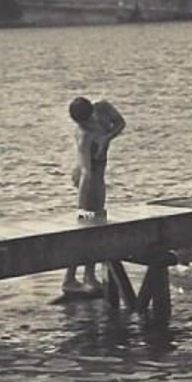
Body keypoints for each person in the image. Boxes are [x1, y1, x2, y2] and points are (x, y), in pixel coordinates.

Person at [62, 96, 126, 296]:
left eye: (88, 120)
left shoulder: (104, 108)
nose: (87, 125)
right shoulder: (84, 135)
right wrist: (85, 203)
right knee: (86, 229)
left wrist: (107, 138)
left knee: (95, 230)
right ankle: (70, 279)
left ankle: (89, 276)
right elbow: (86, 171)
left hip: (98, 179)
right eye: (82, 124)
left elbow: (120, 123)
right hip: (89, 183)